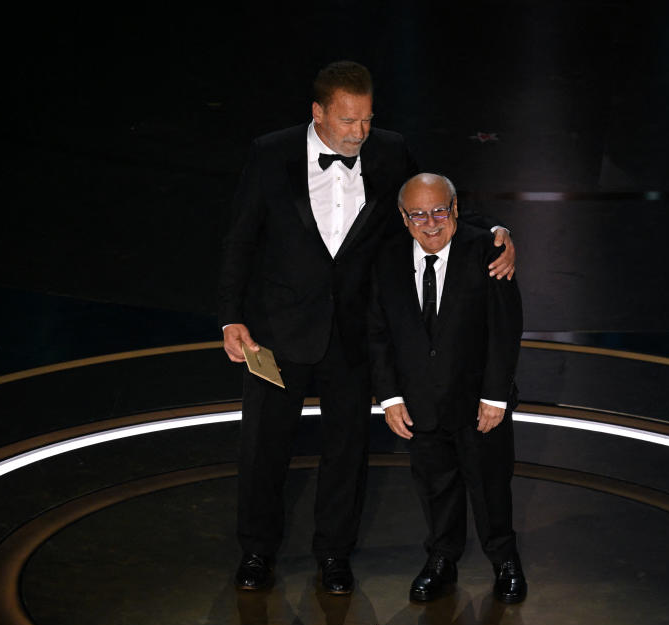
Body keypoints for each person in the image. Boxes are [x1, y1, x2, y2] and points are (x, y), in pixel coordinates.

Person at [217, 61, 516, 595]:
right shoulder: (271, 153)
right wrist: (231, 316)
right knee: (264, 447)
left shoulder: (389, 150)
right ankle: (257, 551)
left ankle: (334, 554)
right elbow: (241, 239)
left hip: (353, 336)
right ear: (319, 113)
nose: (359, 133)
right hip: (276, 333)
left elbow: (429, 206)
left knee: (347, 450)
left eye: (367, 121)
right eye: (348, 121)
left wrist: (494, 231)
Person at [368, 173, 527, 604]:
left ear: (455, 209)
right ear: (404, 218)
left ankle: (505, 560)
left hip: (480, 404)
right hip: (419, 404)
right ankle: (442, 559)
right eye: (418, 214)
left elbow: (505, 330)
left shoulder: (487, 251)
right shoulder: (387, 258)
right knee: (435, 487)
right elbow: (378, 333)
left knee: (490, 485)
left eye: (440, 210)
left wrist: (495, 395)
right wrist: (391, 397)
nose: (431, 222)